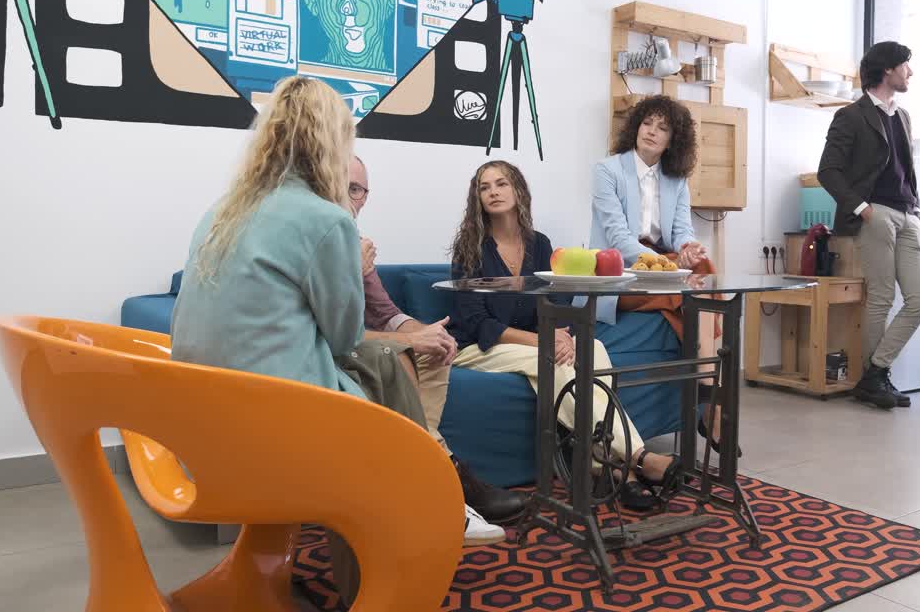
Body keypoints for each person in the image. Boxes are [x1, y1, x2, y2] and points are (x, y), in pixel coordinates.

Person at [169, 75, 504, 545]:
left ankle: (434, 487)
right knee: (383, 363)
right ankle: (428, 500)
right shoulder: (325, 220)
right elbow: (345, 338)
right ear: (333, 144)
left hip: (195, 427)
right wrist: (351, 269)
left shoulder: (222, 211)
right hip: (276, 426)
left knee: (385, 360)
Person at [448, 161, 680, 512]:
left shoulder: (540, 245)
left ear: (518, 191)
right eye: (484, 187)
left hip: (529, 342)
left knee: (595, 348)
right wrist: (544, 342)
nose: (493, 191)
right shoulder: (469, 248)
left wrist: (563, 335)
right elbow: (479, 323)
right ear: (477, 197)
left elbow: (555, 301)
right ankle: (637, 459)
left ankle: (605, 466)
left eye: (501, 183)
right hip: (479, 348)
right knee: (551, 363)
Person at [345, 155, 526, 523]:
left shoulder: (357, 242)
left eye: (355, 189)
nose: (346, 197)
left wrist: (423, 329)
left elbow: (385, 311)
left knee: (434, 347)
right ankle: (447, 475)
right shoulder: (323, 239)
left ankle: (425, 467)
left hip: (359, 338)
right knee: (395, 355)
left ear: (365, 197)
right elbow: (330, 326)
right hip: (333, 346)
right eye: (339, 185)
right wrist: (353, 269)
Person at [588, 94, 729, 450]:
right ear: (635, 127)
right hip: (619, 269)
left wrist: (687, 249)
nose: (652, 131)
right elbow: (619, 238)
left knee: (705, 267)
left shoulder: (676, 180)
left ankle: (708, 396)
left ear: (673, 140)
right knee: (694, 295)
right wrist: (667, 265)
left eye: (662, 127)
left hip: (660, 267)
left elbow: (681, 230)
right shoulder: (608, 170)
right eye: (647, 123)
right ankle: (711, 400)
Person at [817, 41, 920, 410]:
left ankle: (873, 373)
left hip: (908, 215)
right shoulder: (851, 116)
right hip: (876, 215)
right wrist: (865, 210)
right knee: (881, 298)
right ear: (887, 70)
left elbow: (906, 171)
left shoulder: (903, 116)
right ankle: (877, 378)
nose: (910, 72)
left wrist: (916, 211)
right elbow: (828, 171)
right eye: (906, 66)